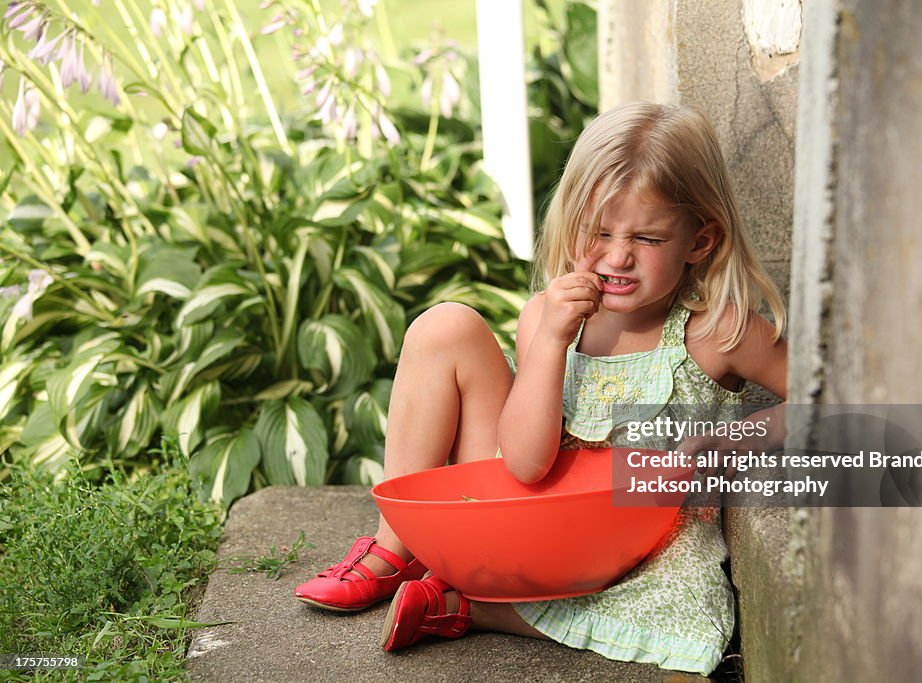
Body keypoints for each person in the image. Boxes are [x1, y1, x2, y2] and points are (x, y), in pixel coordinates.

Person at [294, 101, 788, 675]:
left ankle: (464, 604)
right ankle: (397, 547)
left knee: (667, 604)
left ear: (699, 243)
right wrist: (553, 340)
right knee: (443, 325)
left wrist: (728, 443)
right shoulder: (548, 318)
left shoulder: (716, 332)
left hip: (630, 544)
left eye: (648, 239)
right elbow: (526, 464)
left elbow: (822, 399)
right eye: (598, 232)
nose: (618, 257)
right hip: (528, 513)